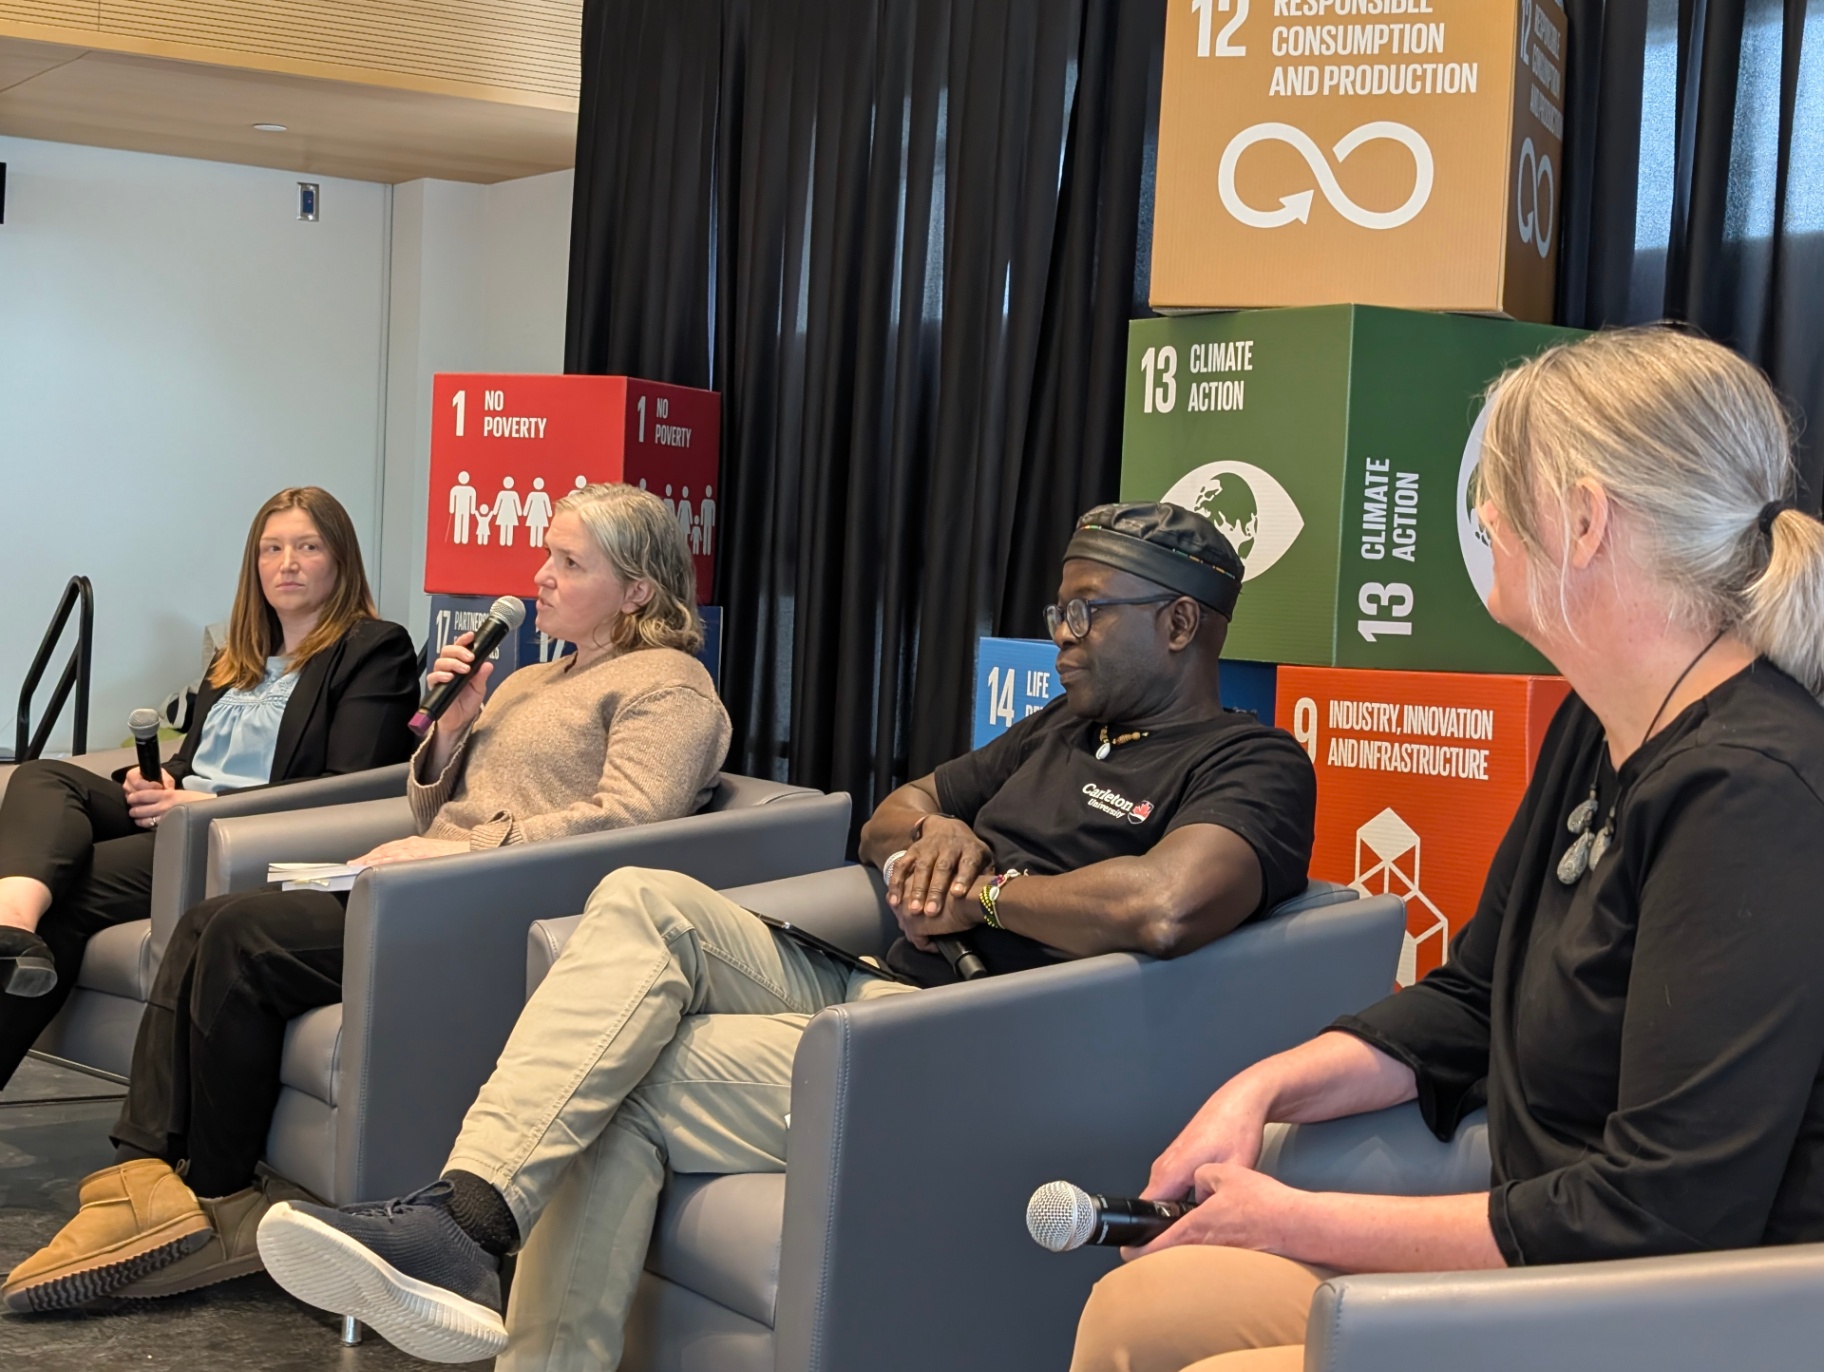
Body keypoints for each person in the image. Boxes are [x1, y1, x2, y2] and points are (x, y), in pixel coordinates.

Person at [254, 501, 1318, 1369]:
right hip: (871, 978)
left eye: (1090, 613)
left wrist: (986, 894)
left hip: (969, 1036)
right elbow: (891, 814)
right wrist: (940, 831)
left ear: (1180, 624)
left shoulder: (1249, 763)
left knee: (621, 1078)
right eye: (1060, 609)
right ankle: (468, 1221)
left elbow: (1164, 906)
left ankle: (483, 1267)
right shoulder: (1057, 727)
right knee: (638, 896)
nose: (1062, 634)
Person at [1068, 328, 1824, 1372]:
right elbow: (1472, 998)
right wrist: (1259, 1089)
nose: (1480, 518)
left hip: (1674, 1317)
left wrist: (1299, 1222)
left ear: (1585, 517)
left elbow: (1661, 1213)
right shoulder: (1597, 720)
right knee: (1140, 1313)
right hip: (1548, 1275)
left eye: (1495, 491)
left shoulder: (1751, 792)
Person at [3, 483, 731, 1313]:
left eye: (570, 563)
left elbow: (633, 821)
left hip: (495, 906)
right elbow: (434, 804)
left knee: (241, 938)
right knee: (210, 926)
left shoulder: (666, 686)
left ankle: (212, 1190)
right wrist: (454, 731)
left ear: (638, 590)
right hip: (426, 883)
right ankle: (159, 1179)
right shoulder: (532, 680)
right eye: (548, 555)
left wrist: (458, 849)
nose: (541, 576)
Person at [0, 486, 417, 1081]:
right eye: (271, 549)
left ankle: (19, 923)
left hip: (243, 832)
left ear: (341, 560)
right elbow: (195, 757)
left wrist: (200, 801)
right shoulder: (236, 655)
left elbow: (348, 787)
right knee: (41, 777)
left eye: (307, 546)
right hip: (183, 809)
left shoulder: (373, 649)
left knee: (69, 889)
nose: (287, 563)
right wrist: (160, 781)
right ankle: (12, 917)